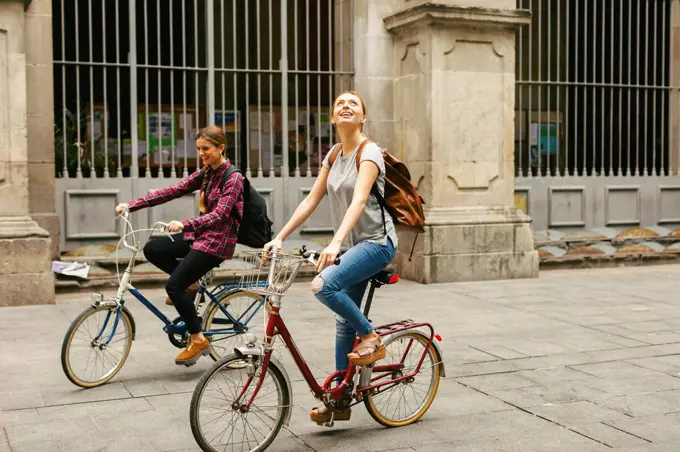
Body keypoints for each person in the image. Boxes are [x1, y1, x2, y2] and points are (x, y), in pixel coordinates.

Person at [263, 91, 398, 423]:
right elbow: (311, 200)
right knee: (341, 323)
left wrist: (334, 243)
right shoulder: (335, 153)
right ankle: (339, 397)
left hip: (377, 243)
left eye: (353, 104)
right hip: (353, 245)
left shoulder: (369, 153)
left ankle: (370, 336)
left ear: (363, 117)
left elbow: (358, 200)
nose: (346, 107)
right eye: (340, 104)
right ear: (334, 119)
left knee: (324, 285)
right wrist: (279, 236)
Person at [115, 125, 244, 366]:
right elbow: (173, 191)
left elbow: (221, 214)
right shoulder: (207, 173)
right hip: (199, 236)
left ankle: (197, 339)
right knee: (153, 249)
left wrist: (185, 224)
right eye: (199, 149)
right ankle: (191, 285)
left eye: (206, 148)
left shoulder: (234, 177)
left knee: (173, 286)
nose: (202, 153)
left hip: (218, 242)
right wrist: (132, 205)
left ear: (221, 147)